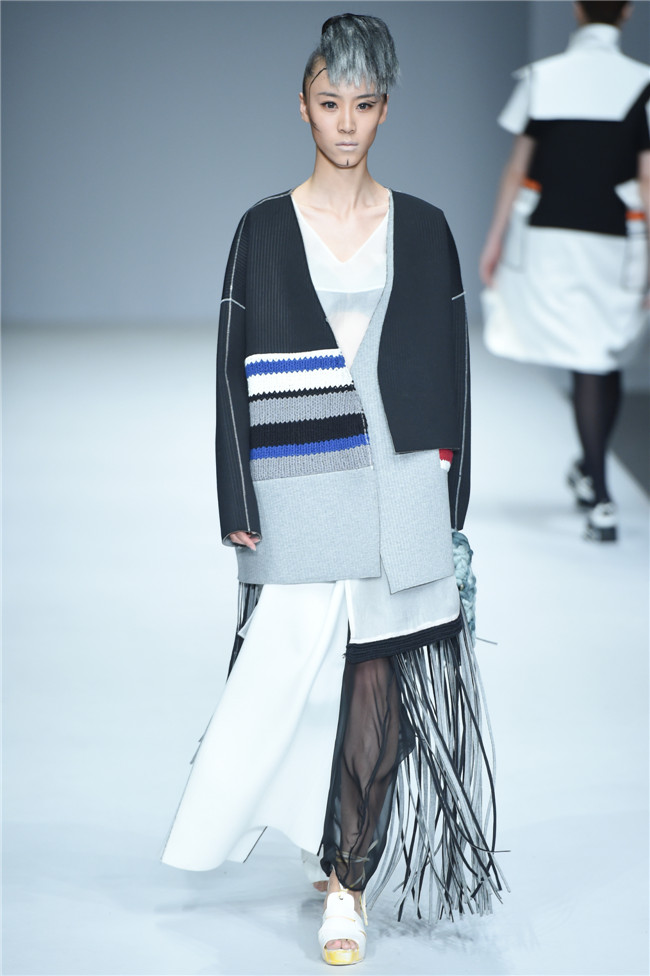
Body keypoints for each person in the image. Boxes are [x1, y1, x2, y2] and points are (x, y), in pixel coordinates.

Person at [162, 13, 504, 965]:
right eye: (329, 103)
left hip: (400, 475)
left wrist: (452, 504)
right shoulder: (264, 227)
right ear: (303, 106)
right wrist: (236, 498)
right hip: (297, 472)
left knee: (379, 671)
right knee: (292, 673)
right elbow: (231, 364)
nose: (345, 124)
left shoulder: (424, 227)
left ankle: (350, 880)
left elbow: (454, 367)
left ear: (385, 109)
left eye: (363, 104)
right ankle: (318, 837)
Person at [480, 0, 650, 543]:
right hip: (616, 239)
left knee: (592, 358)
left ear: (576, 9)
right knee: (598, 355)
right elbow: (648, 179)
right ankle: (599, 491)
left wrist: (495, 238)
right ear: (627, 12)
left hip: (548, 237)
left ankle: (593, 478)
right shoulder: (642, 83)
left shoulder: (544, 78)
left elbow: (517, 167)